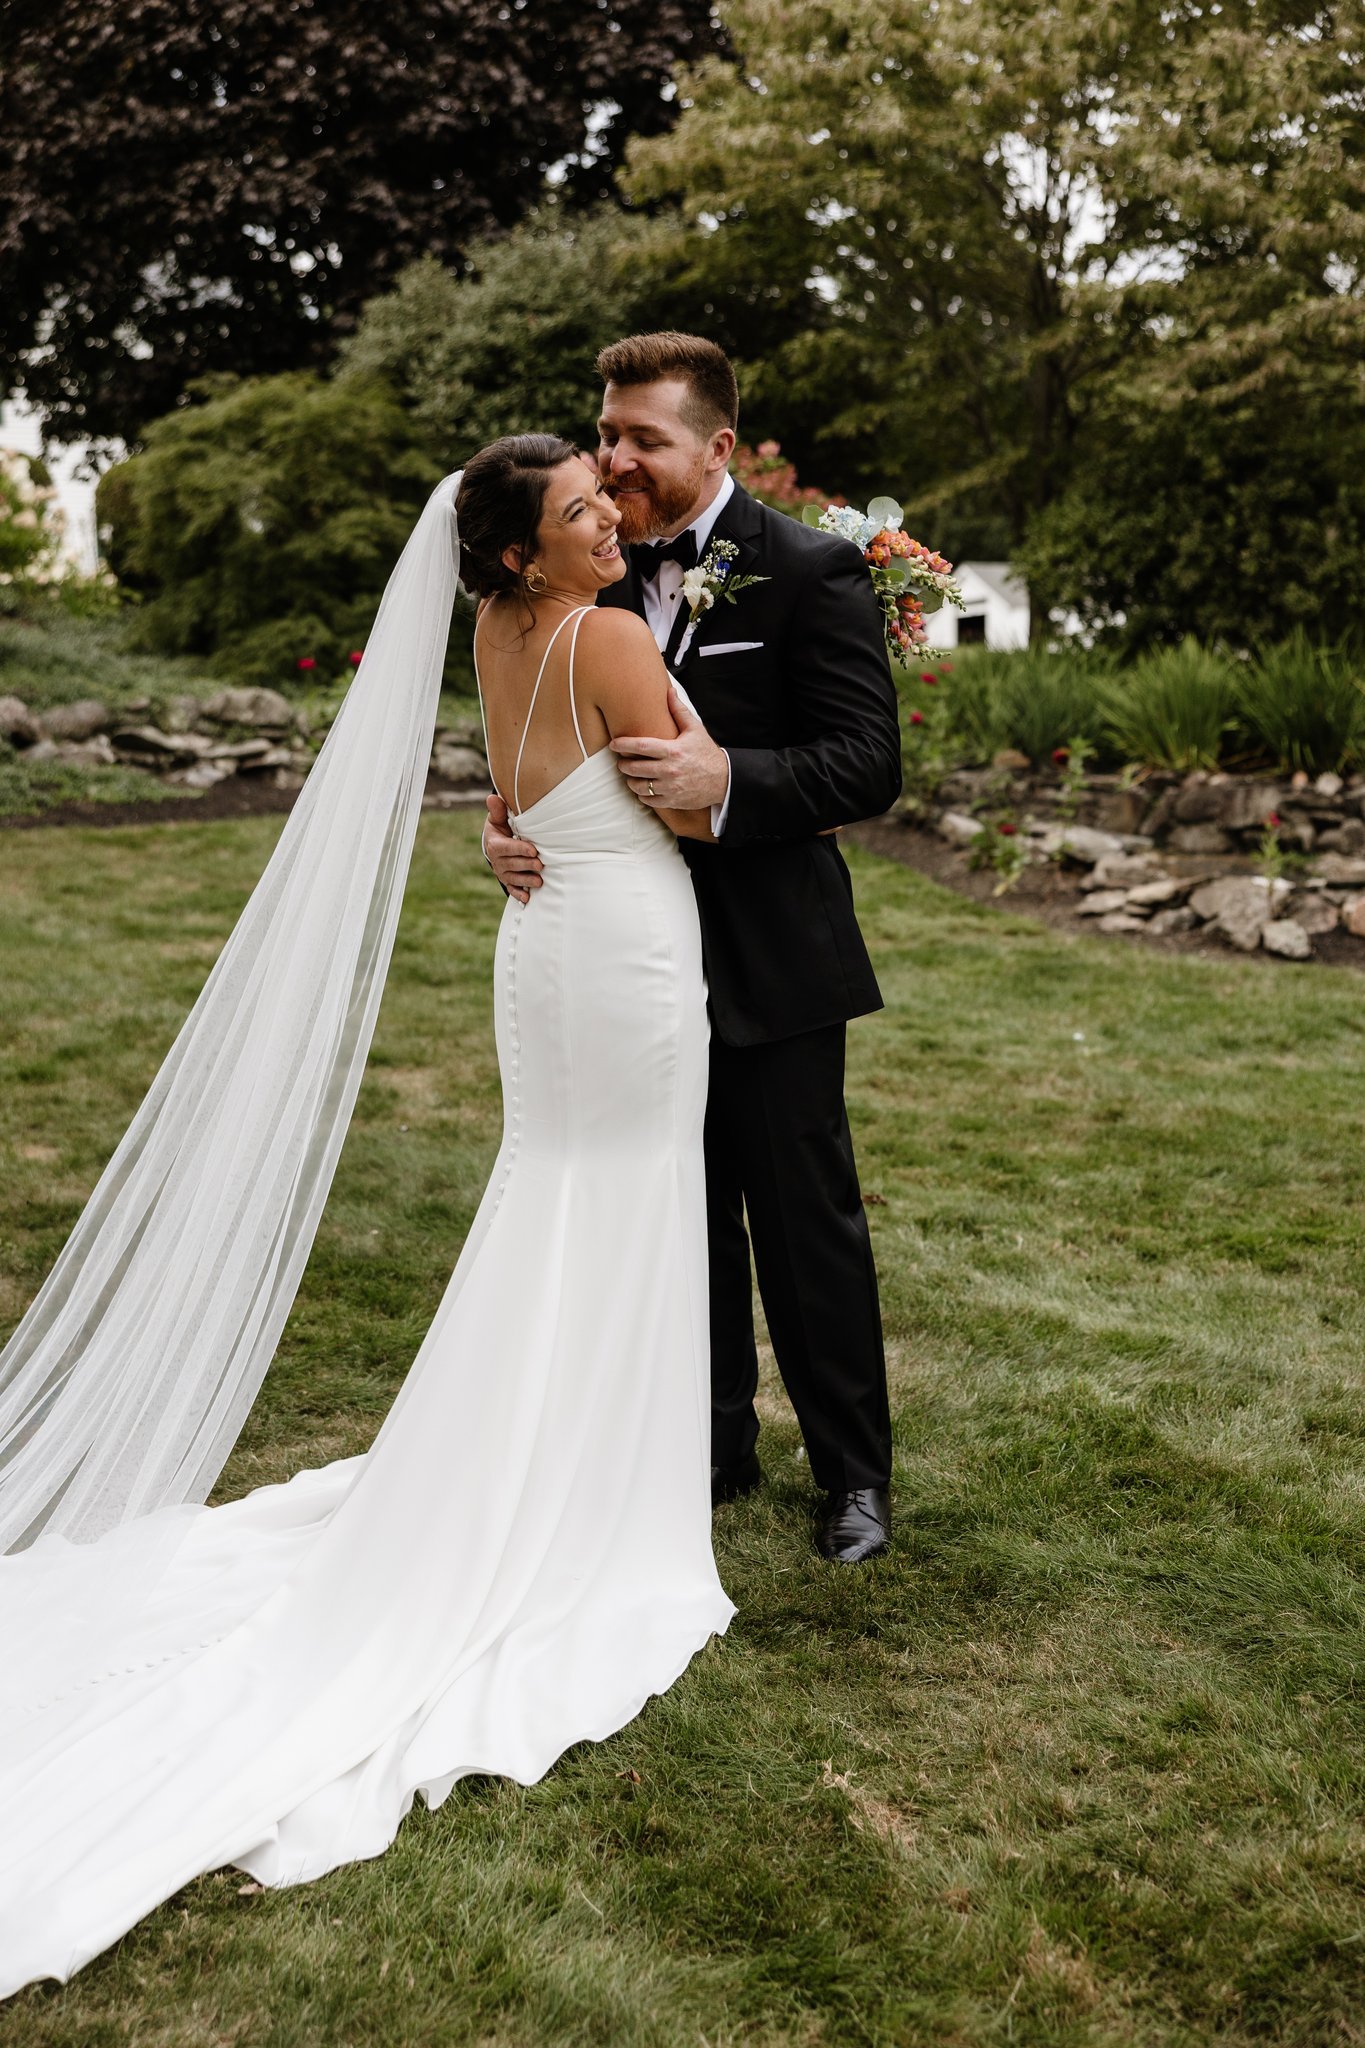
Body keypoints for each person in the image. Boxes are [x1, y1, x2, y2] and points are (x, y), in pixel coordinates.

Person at [0, 437, 735, 1996]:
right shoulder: (609, 633)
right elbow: (691, 799)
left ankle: (537, 1452)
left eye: (608, 502)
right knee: (611, 1204)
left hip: (543, 949)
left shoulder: (496, 629)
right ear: (524, 553)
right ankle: (593, 1498)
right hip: (622, 955)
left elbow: (525, 780)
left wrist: (519, 825)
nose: (610, 521)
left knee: (553, 1199)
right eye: (580, 516)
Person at [483, 334, 902, 1565]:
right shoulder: (582, 573)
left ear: (716, 446)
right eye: (606, 436)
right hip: (625, 961)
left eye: (642, 442)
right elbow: (551, 728)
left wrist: (733, 780)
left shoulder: (811, 571)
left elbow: (869, 763)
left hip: (769, 954)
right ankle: (712, 1448)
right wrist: (510, 819)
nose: (614, 463)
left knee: (799, 1215)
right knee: (678, 1207)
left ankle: (854, 1477)